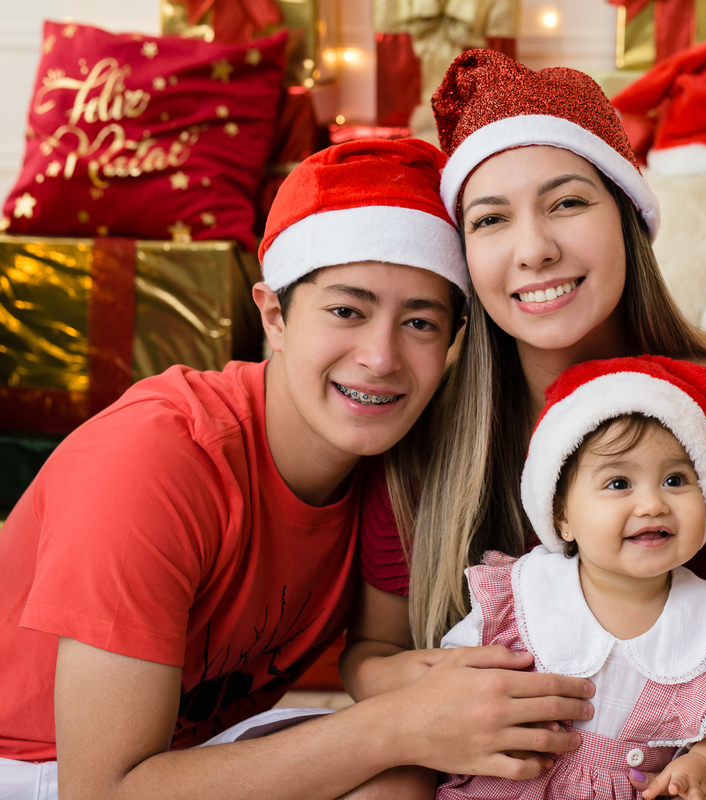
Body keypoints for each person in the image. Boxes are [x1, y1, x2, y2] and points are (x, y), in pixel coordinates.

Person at [0, 139, 595, 800]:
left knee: (396, 782)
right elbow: (102, 790)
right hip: (37, 764)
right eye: (347, 311)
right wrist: (394, 725)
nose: (379, 357)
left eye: (420, 323)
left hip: (190, 751)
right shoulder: (152, 461)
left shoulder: (397, 468)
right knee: (391, 761)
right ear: (275, 316)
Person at [341, 49, 706, 800]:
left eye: (566, 203)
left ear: (627, 219)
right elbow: (371, 652)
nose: (534, 249)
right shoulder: (429, 436)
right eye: (490, 219)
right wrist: (433, 687)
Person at [438, 356, 706, 800]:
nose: (652, 505)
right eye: (619, 483)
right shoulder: (522, 596)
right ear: (561, 517)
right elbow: (453, 685)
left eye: (676, 479)